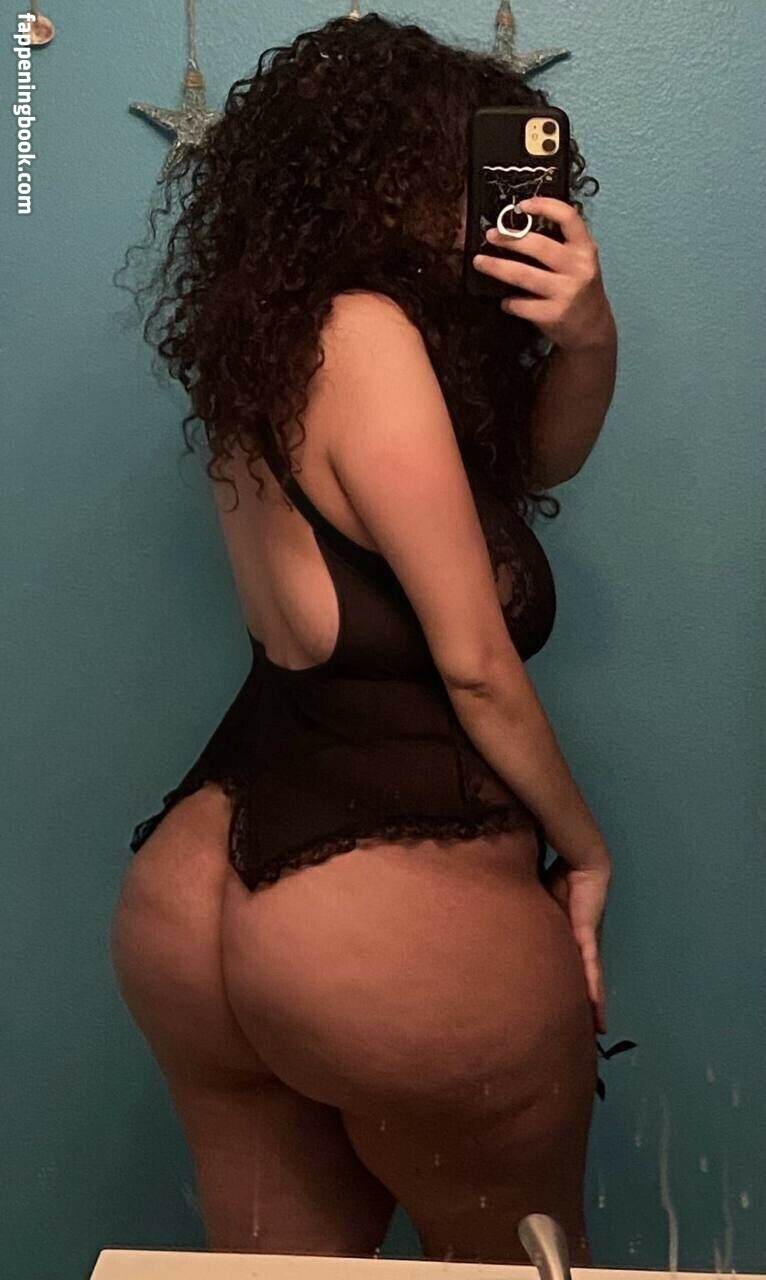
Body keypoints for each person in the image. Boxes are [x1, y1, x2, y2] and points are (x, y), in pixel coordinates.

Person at [109, 13, 618, 1266]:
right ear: (384, 175)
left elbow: (536, 459)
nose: (480, 198)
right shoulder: (369, 336)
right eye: (454, 165)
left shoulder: (278, 339)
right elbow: (473, 664)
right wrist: (587, 847)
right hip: (376, 931)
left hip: (196, 902)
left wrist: (587, 335)